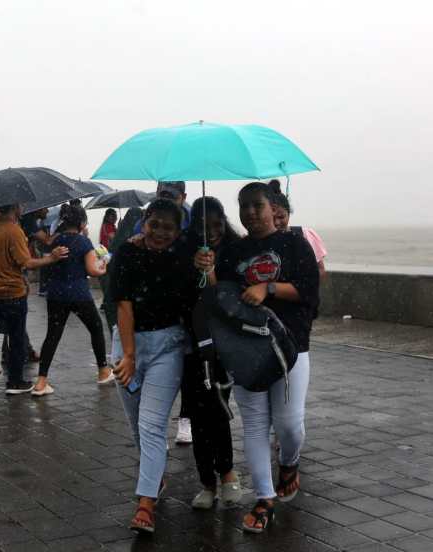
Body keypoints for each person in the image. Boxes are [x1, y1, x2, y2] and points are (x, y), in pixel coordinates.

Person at [194, 181, 319, 533]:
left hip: (291, 348)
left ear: (272, 207)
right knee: (254, 425)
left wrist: (269, 288)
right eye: (243, 205)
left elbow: (310, 291)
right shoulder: (234, 251)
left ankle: (289, 461)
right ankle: (264, 499)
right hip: (246, 349)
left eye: (256, 205)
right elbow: (224, 298)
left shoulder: (295, 244)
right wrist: (208, 269)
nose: (250, 212)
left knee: (289, 424)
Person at [111, 199, 198, 533]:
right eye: (155, 224)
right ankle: (155, 477)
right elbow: (124, 304)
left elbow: (205, 292)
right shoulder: (126, 253)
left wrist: (206, 268)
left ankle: (145, 502)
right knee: (136, 423)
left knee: (151, 423)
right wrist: (129, 356)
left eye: (169, 227)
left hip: (168, 346)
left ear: (179, 231)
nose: (160, 232)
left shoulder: (184, 257)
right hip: (127, 343)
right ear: (143, 222)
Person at [0, 204, 69, 401]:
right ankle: (15, 382)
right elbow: (26, 262)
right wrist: (52, 258)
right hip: (12, 293)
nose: (23, 208)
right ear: (15, 208)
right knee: (17, 337)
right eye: (20, 205)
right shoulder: (14, 231)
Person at [183, 197, 243, 509]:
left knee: (218, 405)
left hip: (221, 345)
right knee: (196, 413)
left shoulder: (235, 251)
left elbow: (230, 302)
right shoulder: (184, 250)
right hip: (191, 344)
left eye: (216, 223)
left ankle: (229, 473)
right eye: (202, 226)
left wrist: (214, 274)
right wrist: (192, 268)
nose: (211, 231)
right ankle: (207, 480)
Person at [33, 204, 110, 396]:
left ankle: (41, 382)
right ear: (81, 222)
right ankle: (103, 371)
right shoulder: (83, 242)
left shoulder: (55, 241)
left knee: (52, 335)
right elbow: (92, 270)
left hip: (56, 294)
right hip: (78, 295)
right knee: (96, 328)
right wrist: (104, 266)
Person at [269, 180, 328, 278]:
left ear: (288, 214)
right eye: (272, 218)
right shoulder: (259, 240)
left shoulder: (304, 235)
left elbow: (320, 269)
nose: (276, 222)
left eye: (281, 217)